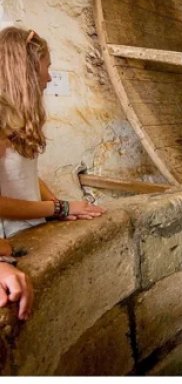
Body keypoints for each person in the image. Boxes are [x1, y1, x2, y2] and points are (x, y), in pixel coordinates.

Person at [0, 27, 106, 318]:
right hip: (13, 231)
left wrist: (58, 208)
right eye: (46, 68)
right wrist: (60, 206)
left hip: (31, 223)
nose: (49, 76)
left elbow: (27, 173)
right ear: (28, 69)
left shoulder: (16, 118)